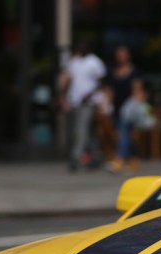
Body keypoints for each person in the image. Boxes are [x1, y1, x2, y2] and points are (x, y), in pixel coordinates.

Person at [60, 40, 107, 171]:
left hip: (89, 102)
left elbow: (101, 81)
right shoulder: (74, 61)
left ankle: (75, 158)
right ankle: (97, 157)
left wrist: (90, 94)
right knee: (88, 131)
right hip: (75, 101)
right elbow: (68, 79)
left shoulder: (95, 62)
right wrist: (64, 96)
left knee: (81, 129)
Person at [108, 79, 155, 172]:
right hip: (126, 122)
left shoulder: (142, 103)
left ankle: (125, 160)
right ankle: (123, 159)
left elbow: (144, 116)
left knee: (129, 140)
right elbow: (126, 114)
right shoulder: (131, 100)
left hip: (136, 125)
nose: (136, 91)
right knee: (125, 139)